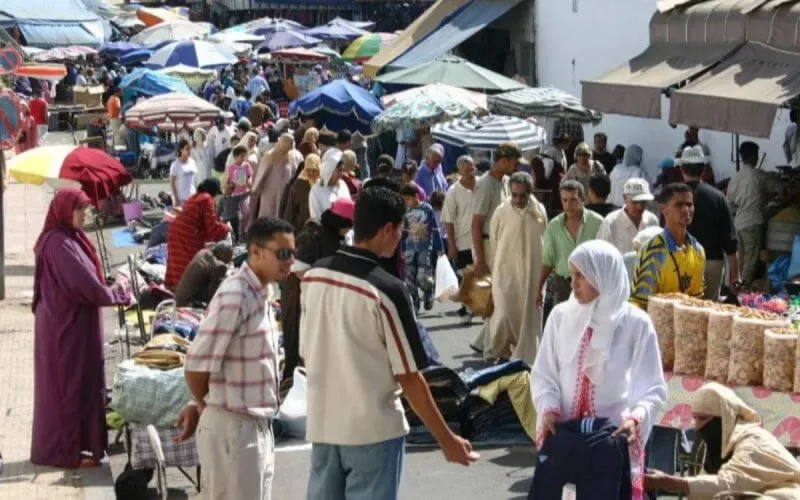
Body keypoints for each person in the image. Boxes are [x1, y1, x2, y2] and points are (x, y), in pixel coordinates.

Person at [300, 187, 478, 500]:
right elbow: (409, 376)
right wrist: (447, 439)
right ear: (387, 230)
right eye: (400, 231)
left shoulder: (315, 277)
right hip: (373, 430)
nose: (401, 238)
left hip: (323, 423)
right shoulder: (387, 291)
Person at [532, 240, 667, 500]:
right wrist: (548, 408)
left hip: (611, 442)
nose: (573, 283)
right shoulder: (561, 317)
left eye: (581, 275)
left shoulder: (635, 323)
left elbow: (652, 386)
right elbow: (544, 373)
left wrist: (635, 419)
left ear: (603, 274)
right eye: (572, 275)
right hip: (565, 436)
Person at [183, 216, 293, 500]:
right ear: (256, 252)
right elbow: (196, 364)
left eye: (292, 254)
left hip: (255, 425)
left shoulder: (261, 293)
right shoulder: (236, 294)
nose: (290, 261)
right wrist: (205, 403)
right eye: (283, 254)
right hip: (234, 428)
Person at [31, 188, 130, 468]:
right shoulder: (58, 243)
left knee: (83, 385)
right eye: (80, 209)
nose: (85, 214)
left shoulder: (69, 238)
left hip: (73, 325)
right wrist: (115, 295)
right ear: (64, 210)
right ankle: (67, 452)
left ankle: (82, 446)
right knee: (69, 388)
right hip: (66, 330)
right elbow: (83, 283)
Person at [644, 383, 800, 499]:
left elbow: (729, 484)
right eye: (695, 418)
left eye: (703, 419)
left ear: (725, 418)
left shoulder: (752, 442)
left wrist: (667, 482)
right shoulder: (719, 444)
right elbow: (708, 489)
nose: (697, 427)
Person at [281, 199, 354, 380]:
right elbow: (298, 269)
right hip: (299, 297)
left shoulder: (334, 236)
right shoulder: (312, 235)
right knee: (297, 341)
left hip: (319, 299)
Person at [487, 172, 547, 363]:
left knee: (528, 315)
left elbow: (544, 241)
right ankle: (502, 352)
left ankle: (526, 356)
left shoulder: (538, 212)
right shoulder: (501, 212)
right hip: (506, 272)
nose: (518, 199)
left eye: (523, 195)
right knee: (504, 313)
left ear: (530, 193)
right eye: (514, 195)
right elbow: (494, 242)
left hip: (533, 273)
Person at [470, 143, 522, 353]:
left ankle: (484, 340)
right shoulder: (485, 184)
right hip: (487, 244)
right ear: (503, 161)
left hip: (502, 245)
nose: (516, 166)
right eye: (514, 162)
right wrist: (480, 260)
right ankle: (489, 346)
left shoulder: (507, 182)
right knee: (495, 296)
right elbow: (475, 224)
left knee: (500, 295)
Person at [630, 183, 705, 309]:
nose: (686, 210)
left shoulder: (698, 250)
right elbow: (640, 303)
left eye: (689, 204)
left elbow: (697, 301)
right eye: (679, 205)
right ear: (664, 209)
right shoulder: (653, 252)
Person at [680, 145, 740, 300]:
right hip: (713, 263)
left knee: (684, 312)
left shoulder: (674, 197)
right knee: (709, 312)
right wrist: (735, 276)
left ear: (682, 170)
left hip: (681, 262)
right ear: (704, 170)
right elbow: (730, 241)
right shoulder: (718, 197)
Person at [535, 180, 604, 309]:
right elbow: (547, 262)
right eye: (564, 200)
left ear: (582, 200)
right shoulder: (553, 226)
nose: (568, 205)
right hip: (562, 285)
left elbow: (606, 258)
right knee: (563, 325)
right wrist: (538, 289)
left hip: (591, 284)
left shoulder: (598, 223)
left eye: (573, 200)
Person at [727, 141, 783, 286]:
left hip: (738, 223)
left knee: (740, 260)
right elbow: (779, 188)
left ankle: (734, 287)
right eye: (756, 155)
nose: (757, 158)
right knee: (750, 260)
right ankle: (743, 289)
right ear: (752, 157)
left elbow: (730, 202)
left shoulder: (736, 177)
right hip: (753, 223)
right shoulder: (758, 176)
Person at [165, 179, 231, 289]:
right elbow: (212, 226)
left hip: (175, 231)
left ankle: (177, 288)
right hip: (186, 234)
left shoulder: (194, 197)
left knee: (179, 261)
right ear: (213, 191)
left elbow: (201, 222)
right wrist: (227, 228)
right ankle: (187, 289)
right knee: (191, 263)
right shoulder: (207, 199)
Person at [442, 155, 476, 323]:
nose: (471, 173)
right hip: (463, 242)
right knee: (466, 279)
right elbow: (448, 220)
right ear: (459, 171)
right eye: (467, 170)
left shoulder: (481, 187)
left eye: (473, 169)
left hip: (483, 241)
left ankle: (480, 308)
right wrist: (452, 245)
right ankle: (467, 310)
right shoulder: (453, 192)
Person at [400, 182, 444, 311]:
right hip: (409, 248)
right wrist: (402, 248)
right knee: (409, 277)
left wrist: (439, 248)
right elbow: (403, 231)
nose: (406, 202)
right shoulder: (405, 211)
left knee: (423, 275)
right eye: (404, 200)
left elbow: (435, 230)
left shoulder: (427, 209)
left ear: (415, 196)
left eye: (408, 199)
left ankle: (428, 291)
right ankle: (414, 301)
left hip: (425, 248)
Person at [597, 178, 660, 255]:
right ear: (625, 198)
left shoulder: (652, 220)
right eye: (635, 202)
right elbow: (601, 253)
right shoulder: (611, 222)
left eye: (643, 202)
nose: (639, 207)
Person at [253, 133, 303, 219]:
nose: (291, 146)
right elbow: (262, 172)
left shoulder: (290, 155)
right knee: (268, 212)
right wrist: (256, 188)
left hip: (284, 190)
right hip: (270, 190)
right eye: (288, 143)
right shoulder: (270, 155)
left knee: (280, 212)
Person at [174, 243, 233, 307]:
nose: (228, 262)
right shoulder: (219, 266)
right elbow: (213, 296)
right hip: (187, 304)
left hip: (178, 299)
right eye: (229, 258)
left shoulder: (203, 252)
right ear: (222, 255)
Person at [308, 149, 352, 221]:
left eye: (342, 170)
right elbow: (316, 219)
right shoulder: (316, 191)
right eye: (338, 170)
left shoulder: (343, 185)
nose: (341, 174)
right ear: (329, 170)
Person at [282, 153, 321, 231]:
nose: (311, 173)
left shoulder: (323, 185)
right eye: (308, 170)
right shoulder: (299, 184)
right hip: (302, 228)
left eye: (314, 170)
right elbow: (290, 209)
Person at [169, 139, 198, 208]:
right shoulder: (175, 164)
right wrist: (176, 198)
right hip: (181, 199)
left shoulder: (192, 162)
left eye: (190, 148)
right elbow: (172, 183)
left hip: (193, 197)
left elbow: (194, 180)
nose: (189, 151)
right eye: (187, 149)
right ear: (181, 150)